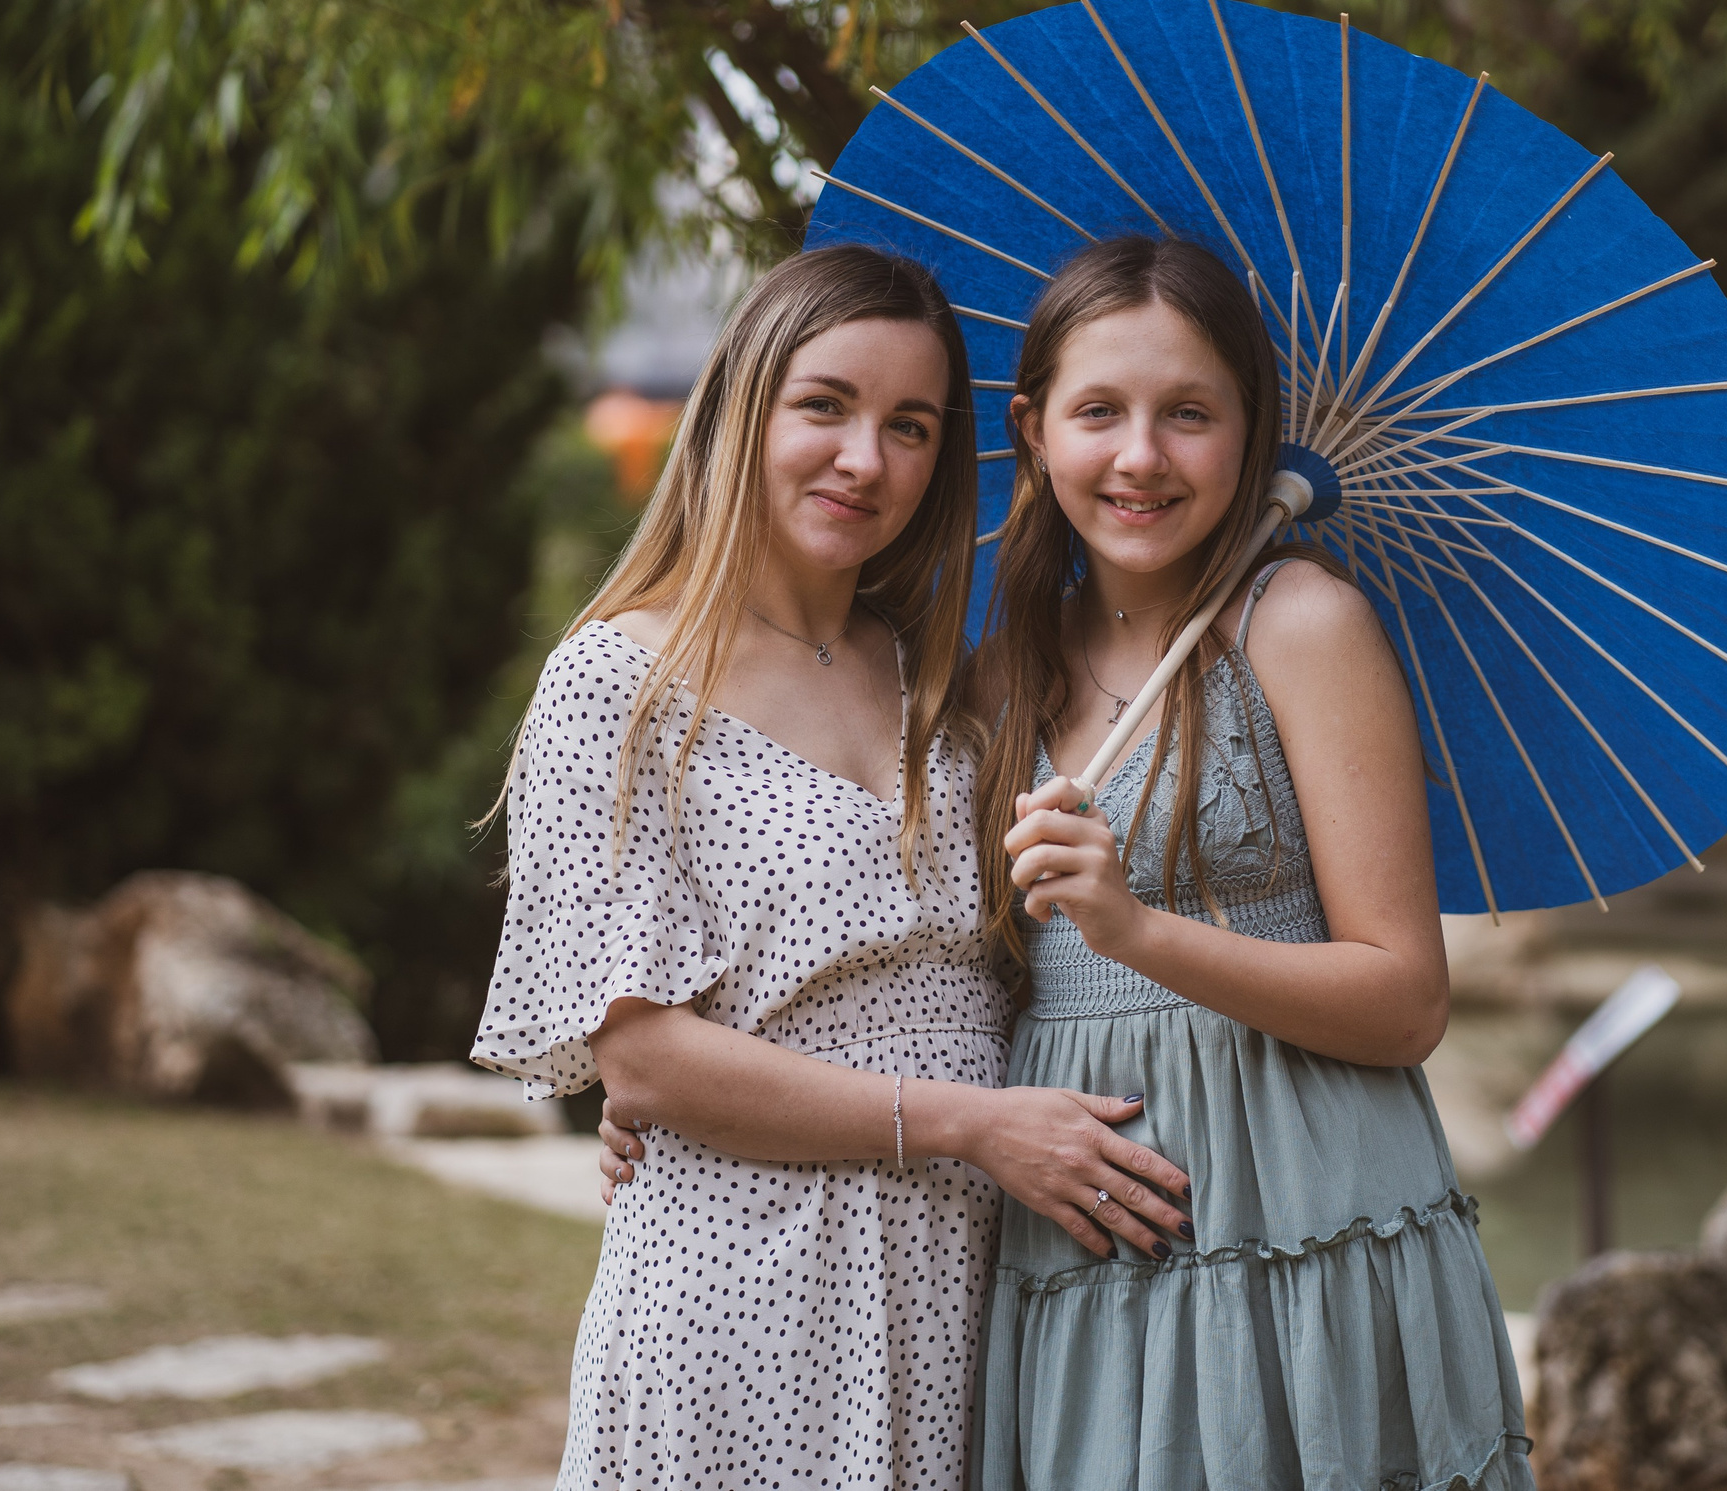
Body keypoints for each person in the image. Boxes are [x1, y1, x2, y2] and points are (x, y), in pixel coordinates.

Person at [471, 244, 1189, 1491]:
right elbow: (638, 1054)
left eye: (910, 426)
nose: (866, 460)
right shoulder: (617, 686)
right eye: (825, 406)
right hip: (742, 1290)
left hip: (959, 1291)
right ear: (744, 406)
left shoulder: (943, 687)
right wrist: (970, 1125)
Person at [973, 235, 1533, 1488]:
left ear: (1251, 432)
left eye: (1189, 414)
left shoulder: (1302, 628)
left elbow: (1407, 1002)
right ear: (1032, 428)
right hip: (1077, 1222)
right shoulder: (995, 673)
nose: (1140, 457)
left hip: (1303, 1210)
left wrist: (1138, 932)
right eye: (1099, 411)